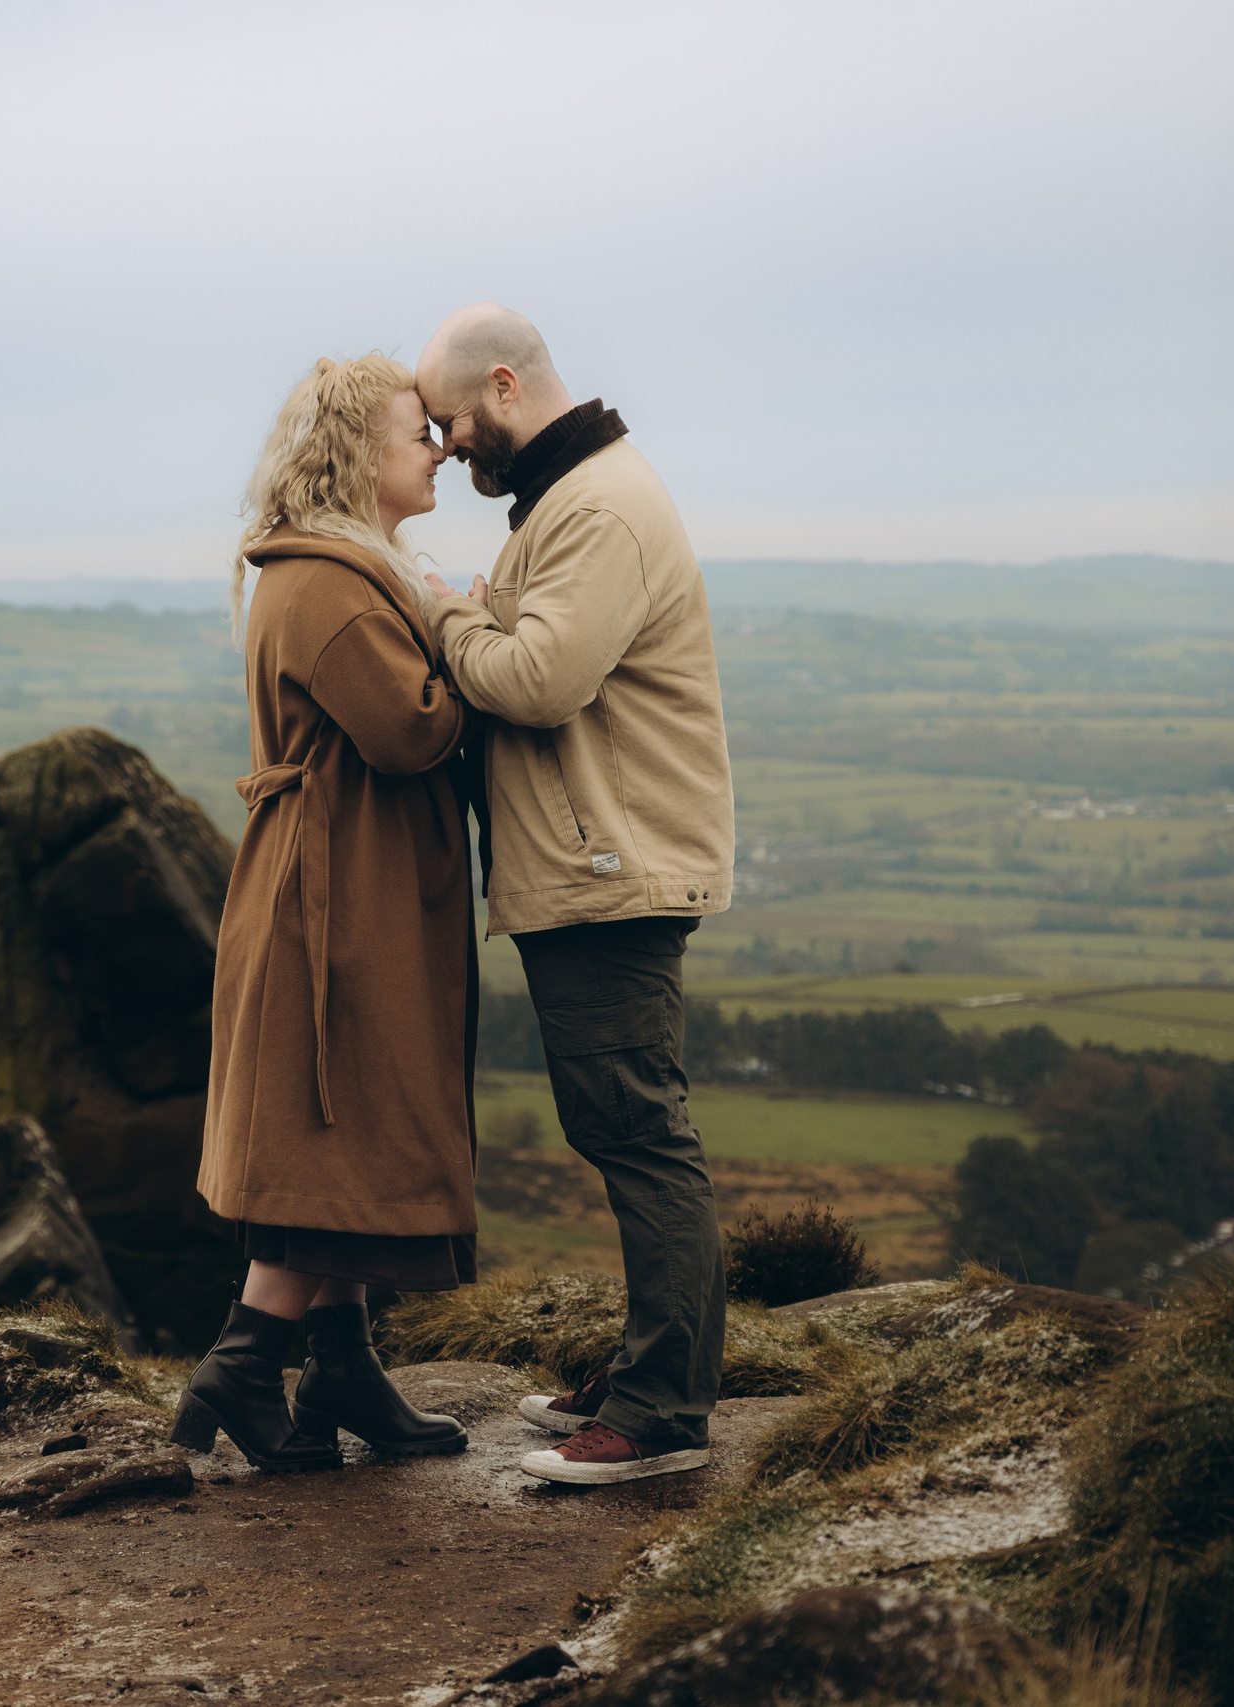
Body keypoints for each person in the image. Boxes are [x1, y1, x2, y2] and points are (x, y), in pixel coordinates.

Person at [416, 303, 736, 1485]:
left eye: (451, 421)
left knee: (637, 1134)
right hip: (600, 861)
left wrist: (438, 605)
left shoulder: (595, 506)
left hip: (612, 868)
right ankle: (658, 1369)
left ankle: (658, 1416)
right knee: (625, 1127)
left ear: (503, 385)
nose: (447, 449)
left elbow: (538, 678)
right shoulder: (570, 498)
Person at [175, 353, 481, 1472]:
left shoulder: (341, 571)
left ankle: (340, 1365)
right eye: (419, 433)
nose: (440, 448)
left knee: (342, 1126)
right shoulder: (327, 583)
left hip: (353, 884)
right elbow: (408, 729)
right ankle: (246, 1362)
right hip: (337, 898)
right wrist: (467, 635)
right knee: (328, 1119)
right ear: (357, 451)